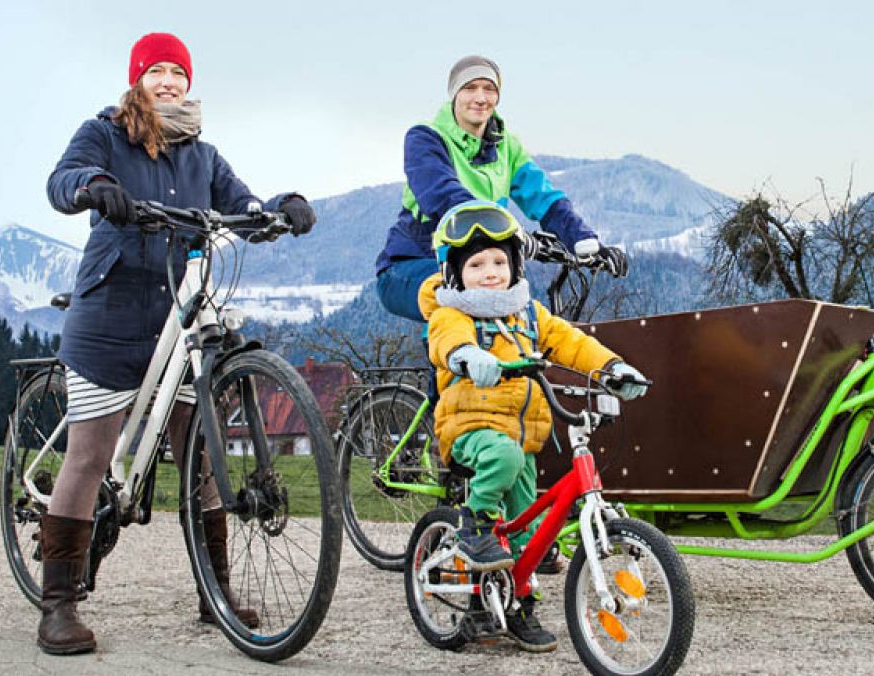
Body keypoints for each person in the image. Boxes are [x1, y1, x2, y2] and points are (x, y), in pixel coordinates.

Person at [40, 32, 317, 655]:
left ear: (189, 83)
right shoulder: (105, 133)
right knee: (89, 456)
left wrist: (279, 208)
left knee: (199, 451)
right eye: (157, 71)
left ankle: (214, 594)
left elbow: (241, 202)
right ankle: (57, 604)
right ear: (138, 79)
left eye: (177, 73)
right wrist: (91, 186)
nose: (168, 82)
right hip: (111, 312)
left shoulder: (203, 154)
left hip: (179, 315)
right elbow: (62, 181)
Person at [419, 201, 647, 653]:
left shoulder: (528, 314)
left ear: (516, 266)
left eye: (500, 262)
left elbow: (569, 341)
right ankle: (474, 523)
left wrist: (611, 368)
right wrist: (468, 358)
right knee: (500, 458)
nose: (490, 272)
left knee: (530, 533)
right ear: (454, 273)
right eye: (477, 264)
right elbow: (446, 342)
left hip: (524, 437)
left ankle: (517, 606)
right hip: (471, 428)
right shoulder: (452, 313)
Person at [376, 54, 628, 322]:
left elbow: (544, 198)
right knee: (468, 303)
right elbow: (442, 196)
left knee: (529, 322)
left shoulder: (506, 146)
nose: (480, 97)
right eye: (470, 88)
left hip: (478, 269)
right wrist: (506, 231)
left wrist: (584, 239)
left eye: (489, 89)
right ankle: (451, 364)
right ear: (454, 94)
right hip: (409, 268)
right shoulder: (425, 138)